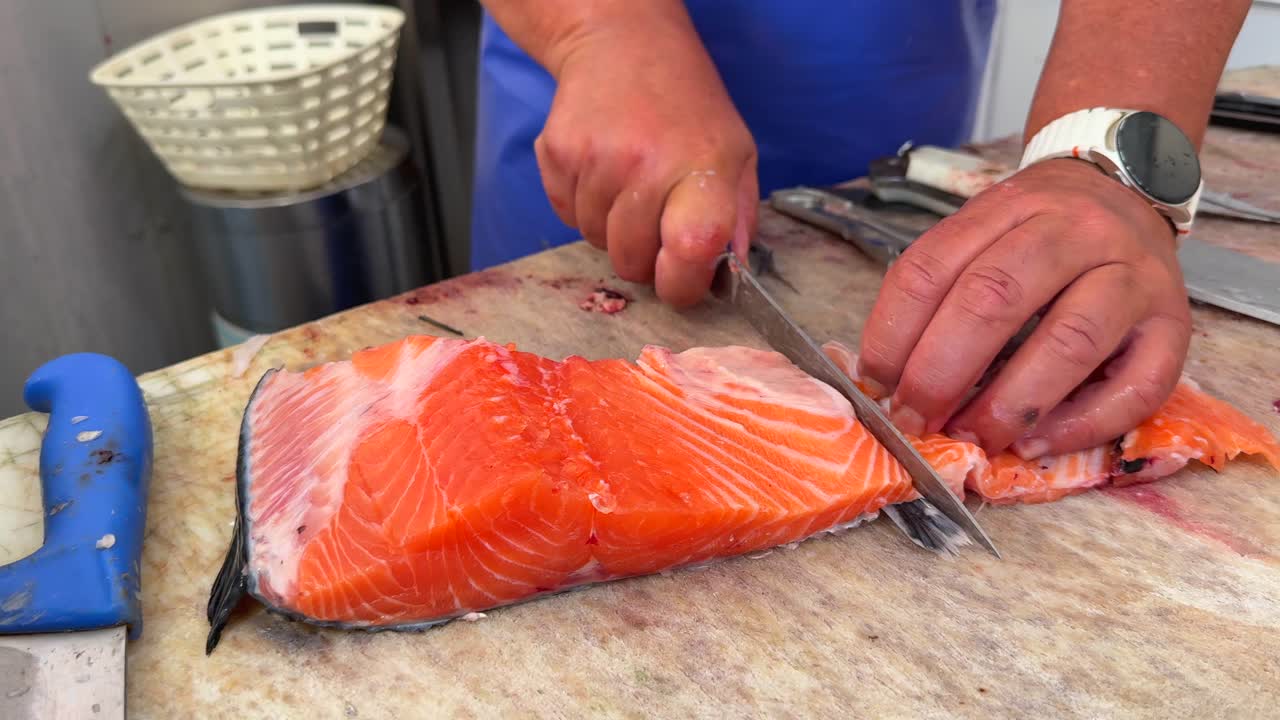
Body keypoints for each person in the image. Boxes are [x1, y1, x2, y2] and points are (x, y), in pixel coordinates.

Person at [468, 1, 1251, 460]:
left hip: (892, 76)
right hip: (593, 105)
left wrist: (1107, 146)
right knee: (522, 429)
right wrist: (596, 35)